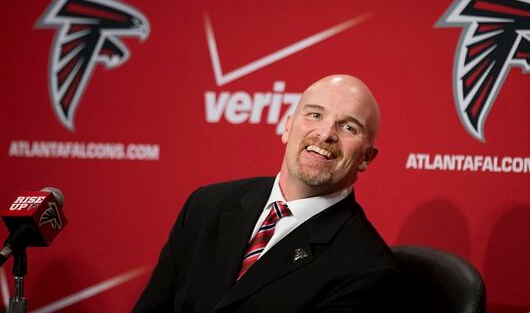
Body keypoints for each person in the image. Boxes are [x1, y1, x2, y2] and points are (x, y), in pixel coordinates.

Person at [133, 74, 399, 312]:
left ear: (366, 157)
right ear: (287, 127)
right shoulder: (205, 206)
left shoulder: (368, 269)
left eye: (349, 127)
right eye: (315, 115)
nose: (326, 133)